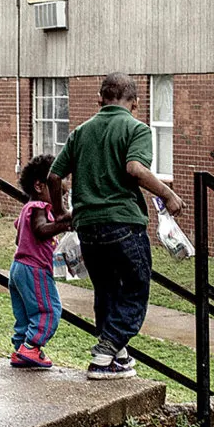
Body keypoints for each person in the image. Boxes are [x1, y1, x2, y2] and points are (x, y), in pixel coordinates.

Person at [46, 72, 183, 379]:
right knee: (136, 288)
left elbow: (54, 176)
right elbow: (134, 168)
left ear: (100, 100)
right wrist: (168, 193)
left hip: (88, 226)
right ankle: (106, 350)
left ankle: (115, 358)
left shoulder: (81, 132)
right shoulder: (136, 129)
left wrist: (59, 212)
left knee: (106, 290)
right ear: (134, 103)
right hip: (124, 223)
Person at [9, 154, 71, 371]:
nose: (60, 201)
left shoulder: (27, 208)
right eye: (58, 194)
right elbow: (40, 230)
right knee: (49, 310)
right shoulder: (39, 207)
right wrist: (63, 225)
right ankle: (31, 346)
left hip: (18, 267)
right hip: (35, 269)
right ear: (39, 185)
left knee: (25, 313)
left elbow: (21, 236)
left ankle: (20, 350)